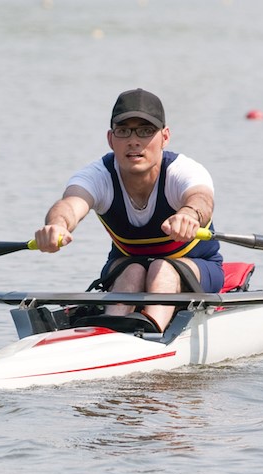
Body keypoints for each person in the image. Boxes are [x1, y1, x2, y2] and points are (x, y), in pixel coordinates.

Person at [33, 88, 223, 332]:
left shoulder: (184, 171)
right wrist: (57, 225)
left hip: (198, 265)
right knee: (132, 271)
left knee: (161, 268)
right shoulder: (97, 176)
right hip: (126, 265)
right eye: (123, 131)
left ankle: (151, 335)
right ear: (111, 139)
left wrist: (188, 214)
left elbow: (202, 199)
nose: (134, 141)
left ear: (165, 137)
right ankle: (112, 335)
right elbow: (70, 205)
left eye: (145, 131)